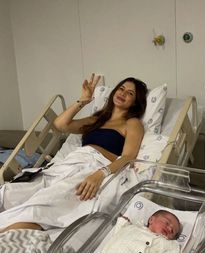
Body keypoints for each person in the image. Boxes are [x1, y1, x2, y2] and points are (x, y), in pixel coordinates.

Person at [0, 74, 148, 232]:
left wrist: (99, 174)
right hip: (68, 165)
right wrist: (82, 101)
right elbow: (60, 125)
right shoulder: (96, 119)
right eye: (121, 88)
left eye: (130, 93)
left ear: (135, 102)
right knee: (8, 194)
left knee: (40, 205)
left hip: (94, 168)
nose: (123, 93)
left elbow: (128, 157)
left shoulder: (132, 123)